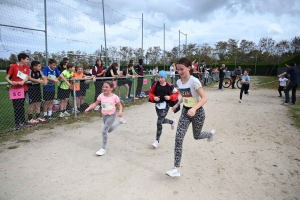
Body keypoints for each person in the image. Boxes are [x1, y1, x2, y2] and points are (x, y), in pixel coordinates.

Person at [166, 57, 216, 177]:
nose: (180, 72)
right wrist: (177, 104)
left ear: (189, 68)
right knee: (178, 138)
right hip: (185, 112)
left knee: (196, 136)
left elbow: (204, 98)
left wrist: (194, 109)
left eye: (182, 69)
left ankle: (210, 134)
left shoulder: (194, 81)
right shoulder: (178, 82)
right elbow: (185, 95)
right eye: (178, 69)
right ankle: (176, 168)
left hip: (197, 112)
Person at [84, 81, 126, 156]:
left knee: (104, 131)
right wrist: (88, 108)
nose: (104, 88)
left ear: (111, 88)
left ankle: (103, 149)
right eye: (104, 87)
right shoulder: (101, 96)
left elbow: (120, 105)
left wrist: (120, 111)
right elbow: (95, 104)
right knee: (108, 130)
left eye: (106, 87)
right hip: (104, 115)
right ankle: (120, 122)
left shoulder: (114, 97)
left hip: (111, 115)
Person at [149, 70, 178, 148]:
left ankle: (156, 141)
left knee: (159, 122)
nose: (160, 79)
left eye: (162, 77)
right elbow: (150, 93)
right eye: (159, 77)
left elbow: (176, 93)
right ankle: (172, 122)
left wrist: (170, 97)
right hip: (158, 105)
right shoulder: (155, 84)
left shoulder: (170, 86)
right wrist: (154, 97)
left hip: (165, 105)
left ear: (165, 78)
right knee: (161, 120)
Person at [5, 53, 31, 130]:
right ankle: (17, 123)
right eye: (27, 59)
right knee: (16, 107)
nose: (28, 61)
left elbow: (26, 77)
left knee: (22, 106)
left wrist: (23, 81)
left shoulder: (27, 67)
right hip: (15, 89)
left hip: (24, 89)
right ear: (21, 59)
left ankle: (23, 121)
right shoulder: (13, 66)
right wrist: (11, 82)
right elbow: (7, 77)